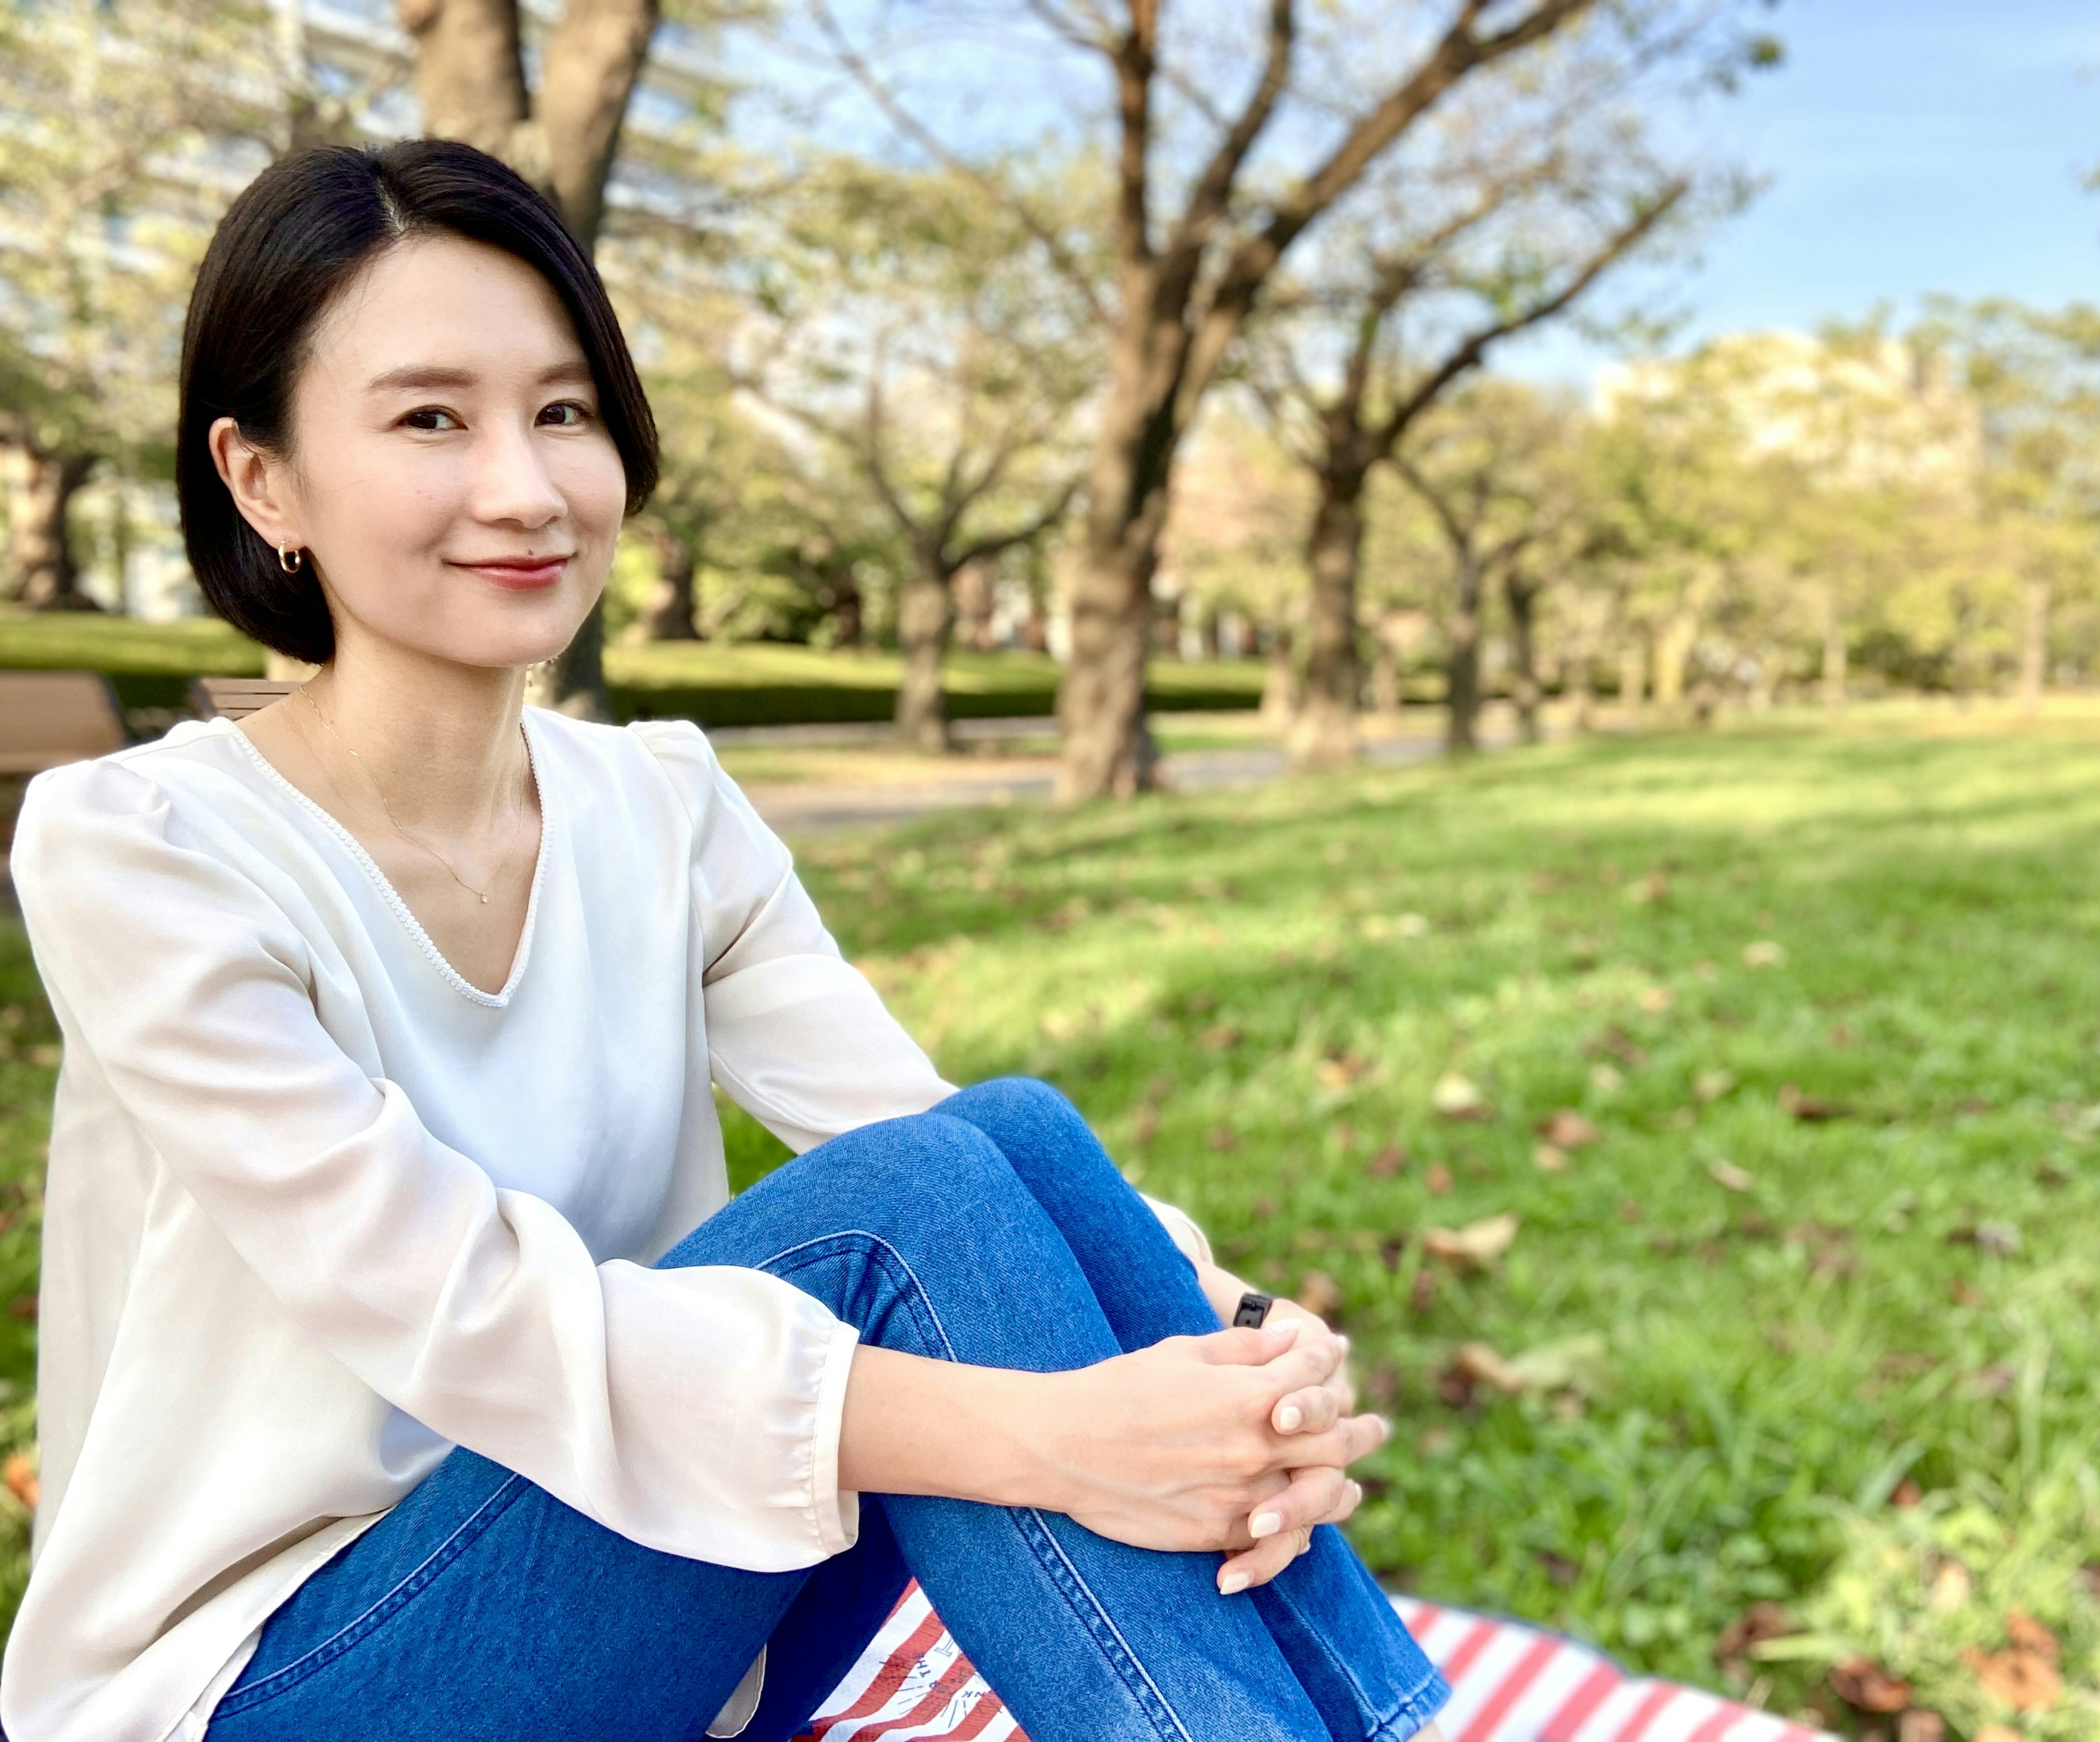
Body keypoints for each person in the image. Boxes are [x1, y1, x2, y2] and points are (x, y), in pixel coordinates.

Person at [0, 140, 1450, 1742]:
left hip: (649, 1609)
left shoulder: (662, 802)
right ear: (261, 479)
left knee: (998, 1137)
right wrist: (1047, 1434)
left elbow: (920, 1128)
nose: (525, 486)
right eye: (431, 418)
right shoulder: (143, 849)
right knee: (912, 1219)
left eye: (563, 412)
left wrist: (1240, 1345)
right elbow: (475, 1317)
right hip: (283, 1676)